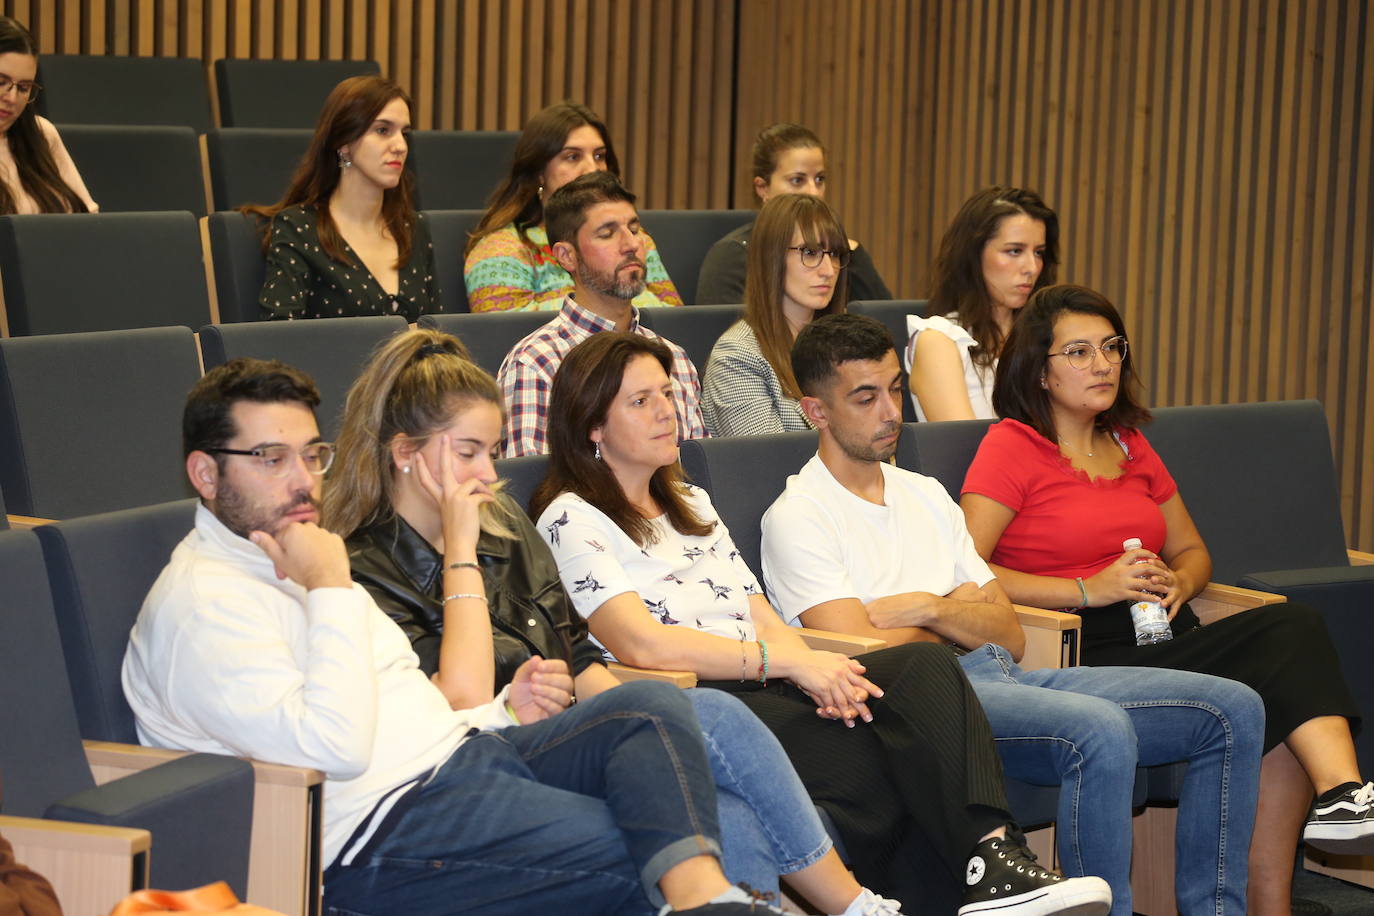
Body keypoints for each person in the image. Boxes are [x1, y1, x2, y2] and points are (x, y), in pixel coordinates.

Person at [120, 357, 795, 916]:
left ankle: (706, 902)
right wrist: (329, 589)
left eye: (311, 455)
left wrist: (501, 712)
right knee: (653, 848)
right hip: (380, 834)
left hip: (466, 758)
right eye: (270, 459)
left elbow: (414, 702)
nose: (301, 480)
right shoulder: (207, 606)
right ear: (206, 474)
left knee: (652, 710)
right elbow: (335, 749)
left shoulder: (296, 556)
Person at [530, 330, 1114, 916]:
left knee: (923, 664)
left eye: (665, 392)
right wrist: (790, 664)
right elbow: (641, 641)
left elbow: (760, 615)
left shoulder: (691, 502)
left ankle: (994, 861)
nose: (666, 410)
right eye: (640, 401)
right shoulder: (571, 518)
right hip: (695, 698)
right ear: (592, 427)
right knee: (887, 751)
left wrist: (817, 669)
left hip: (767, 679)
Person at [323, 327, 903, 915]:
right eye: (468, 452)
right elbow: (461, 702)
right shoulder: (363, 567)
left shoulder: (503, 529)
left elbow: (579, 658)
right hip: (475, 762)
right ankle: (853, 906)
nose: (487, 474)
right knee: (710, 716)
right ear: (404, 454)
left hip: (565, 734)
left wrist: (612, 728)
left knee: (722, 801)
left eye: (493, 452)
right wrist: (461, 554)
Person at [759, 313, 1265, 916]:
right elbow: (868, 657)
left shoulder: (924, 494)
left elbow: (1006, 631)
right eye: (865, 398)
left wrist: (927, 607)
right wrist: (956, 616)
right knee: (1099, 728)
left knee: (1235, 709)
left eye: (895, 389)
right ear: (816, 412)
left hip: (999, 674)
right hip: (918, 711)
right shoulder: (799, 516)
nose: (891, 411)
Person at [959, 284, 1371, 916]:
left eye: (1111, 347)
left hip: (1163, 633)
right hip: (1078, 649)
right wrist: (1086, 589)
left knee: (1292, 626)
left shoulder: (1128, 443)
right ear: (1039, 371)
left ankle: (1339, 800)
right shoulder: (1013, 446)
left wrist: (1182, 582)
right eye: (1078, 351)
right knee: (1282, 660)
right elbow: (967, 570)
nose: (1102, 364)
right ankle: (1320, 819)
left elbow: (1194, 551)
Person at [496, 171, 706, 457]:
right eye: (607, 234)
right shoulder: (537, 363)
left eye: (634, 229)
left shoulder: (675, 359)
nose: (631, 244)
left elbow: (696, 474)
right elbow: (532, 489)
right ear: (567, 256)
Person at [464, 100, 682, 312]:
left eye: (599, 156)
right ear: (539, 172)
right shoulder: (501, 247)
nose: (592, 169)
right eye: (572, 157)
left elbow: (675, 320)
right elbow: (500, 335)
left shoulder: (634, 239)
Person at [252, 76, 438, 321]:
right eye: (383, 130)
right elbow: (280, 334)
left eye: (404, 133)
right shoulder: (298, 228)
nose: (400, 146)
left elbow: (438, 333)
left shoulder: (412, 228)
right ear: (343, 143)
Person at [905, 187, 1058, 422]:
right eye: (1014, 251)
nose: (1031, 267)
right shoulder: (939, 340)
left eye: (1038, 253)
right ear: (974, 255)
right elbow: (963, 448)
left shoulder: (1048, 334)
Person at [695, 124, 888, 305]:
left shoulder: (839, 254)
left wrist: (851, 255)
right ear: (763, 188)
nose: (814, 192)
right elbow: (720, 334)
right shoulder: (733, 255)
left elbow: (889, 324)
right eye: (797, 180)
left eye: (820, 179)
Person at [701, 193, 845, 436]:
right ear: (772, 257)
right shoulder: (738, 356)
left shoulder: (845, 346)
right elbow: (767, 464)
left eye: (835, 254)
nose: (829, 270)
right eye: (810, 252)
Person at [0, 16, 96, 214]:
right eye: (1, 82)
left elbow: (88, 219)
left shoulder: (41, 133)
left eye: (24, 88)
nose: (12, 97)